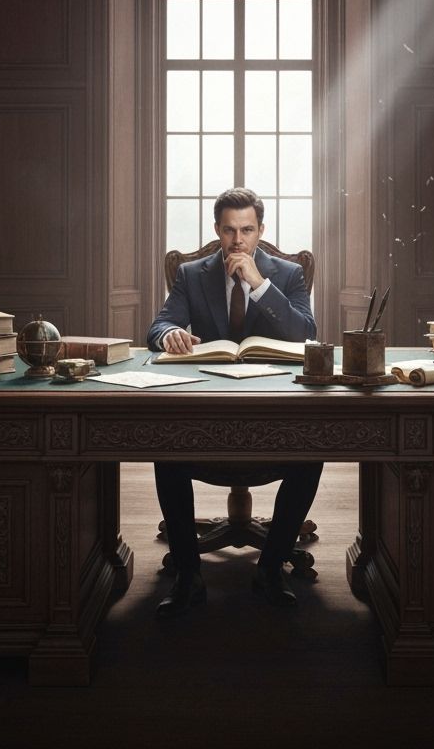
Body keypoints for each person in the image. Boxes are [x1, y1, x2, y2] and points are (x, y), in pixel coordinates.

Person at [147, 187, 322, 617]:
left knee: (311, 457)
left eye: (246, 230)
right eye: (229, 230)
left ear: (261, 230)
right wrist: (168, 333)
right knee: (165, 456)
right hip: (207, 402)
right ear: (216, 231)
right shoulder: (192, 274)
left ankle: (269, 567)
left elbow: (305, 333)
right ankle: (189, 574)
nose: (237, 241)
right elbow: (160, 324)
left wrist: (259, 285)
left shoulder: (288, 274)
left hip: (274, 405)